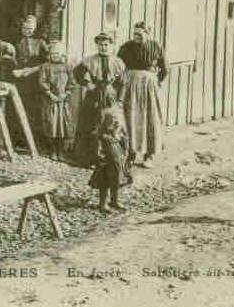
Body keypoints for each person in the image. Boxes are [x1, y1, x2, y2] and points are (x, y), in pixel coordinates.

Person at [118, 21, 168, 169]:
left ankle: (149, 155)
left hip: (149, 86)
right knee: (131, 118)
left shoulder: (156, 47)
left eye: (140, 34)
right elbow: (119, 65)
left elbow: (164, 69)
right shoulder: (126, 47)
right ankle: (131, 154)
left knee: (150, 118)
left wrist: (155, 82)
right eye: (135, 34)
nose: (137, 37)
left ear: (148, 33)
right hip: (130, 86)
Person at [72, 32, 127, 168]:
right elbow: (77, 73)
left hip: (110, 96)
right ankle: (89, 158)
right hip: (94, 96)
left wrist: (120, 100)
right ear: (97, 45)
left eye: (106, 45)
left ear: (111, 46)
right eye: (100, 45)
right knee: (90, 125)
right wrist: (87, 84)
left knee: (110, 126)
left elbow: (124, 83)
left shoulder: (118, 62)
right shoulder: (89, 60)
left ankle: (110, 157)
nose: (103, 47)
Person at [35, 41, 76, 160]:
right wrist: (50, 94)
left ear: (62, 54)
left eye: (57, 53)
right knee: (51, 125)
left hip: (63, 101)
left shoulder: (68, 66)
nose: (55, 56)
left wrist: (66, 93)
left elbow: (72, 82)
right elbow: (42, 81)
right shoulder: (45, 66)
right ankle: (52, 150)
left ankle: (61, 151)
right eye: (52, 54)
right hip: (50, 100)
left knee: (63, 125)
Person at [12, 15, 49, 144]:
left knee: (34, 110)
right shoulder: (16, 43)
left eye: (31, 29)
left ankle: (34, 141)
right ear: (21, 28)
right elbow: (11, 61)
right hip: (20, 80)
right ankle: (19, 140)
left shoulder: (40, 43)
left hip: (35, 81)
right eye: (25, 28)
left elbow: (47, 63)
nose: (28, 31)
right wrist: (15, 70)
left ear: (35, 29)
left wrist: (32, 70)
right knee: (19, 107)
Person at [88, 112, 133, 213]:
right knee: (104, 184)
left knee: (116, 183)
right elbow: (97, 151)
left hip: (117, 165)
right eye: (112, 123)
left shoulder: (117, 137)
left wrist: (123, 138)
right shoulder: (102, 137)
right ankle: (103, 204)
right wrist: (101, 160)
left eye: (116, 123)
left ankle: (114, 201)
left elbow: (125, 149)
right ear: (106, 124)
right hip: (106, 166)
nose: (115, 126)